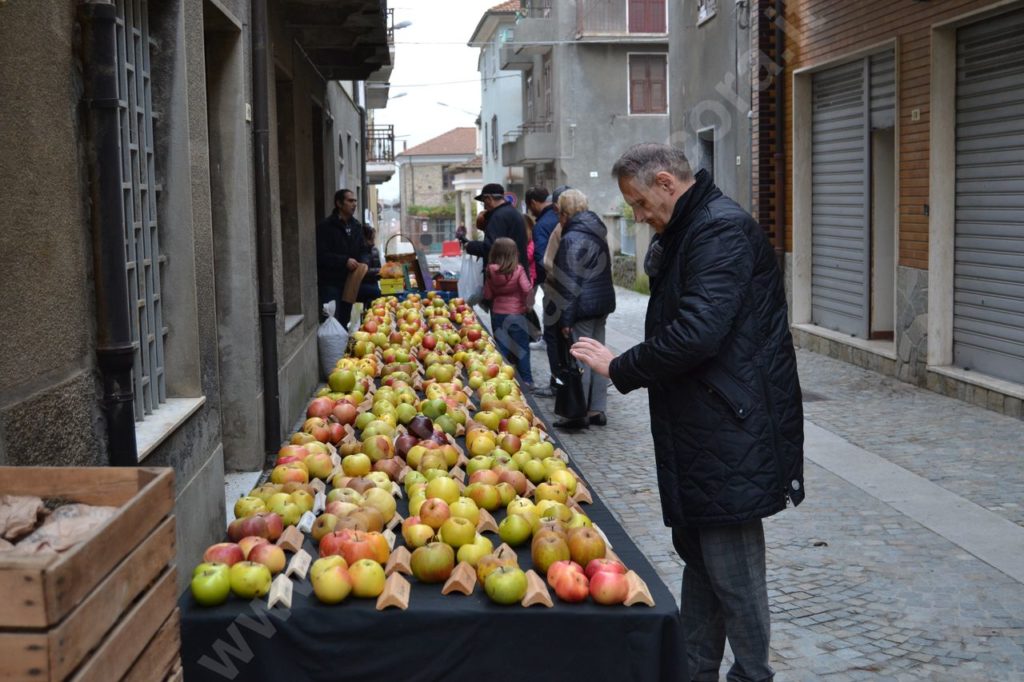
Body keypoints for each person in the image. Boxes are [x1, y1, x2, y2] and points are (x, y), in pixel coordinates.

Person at [571, 143, 805, 682]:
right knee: (703, 563)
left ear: (665, 183)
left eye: (638, 203)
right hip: (705, 423)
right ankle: (695, 671)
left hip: (730, 428)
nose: (637, 215)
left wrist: (621, 366)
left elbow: (699, 331)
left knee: (735, 572)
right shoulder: (690, 229)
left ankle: (752, 674)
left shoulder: (719, 230)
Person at [549, 189, 615, 429]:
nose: (558, 217)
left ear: (565, 213)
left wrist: (565, 320)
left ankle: (576, 413)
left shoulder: (571, 237)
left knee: (583, 359)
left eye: (559, 212)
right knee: (599, 359)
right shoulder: (596, 231)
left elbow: (569, 281)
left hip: (582, 307)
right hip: (601, 304)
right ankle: (597, 410)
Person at [529, 185, 569, 397]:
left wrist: (545, 283)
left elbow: (543, 259)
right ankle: (580, 383)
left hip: (555, 288)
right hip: (576, 291)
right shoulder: (592, 225)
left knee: (554, 337)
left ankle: (558, 383)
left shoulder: (544, 225)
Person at [482, 237, 534, 391]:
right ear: (514, 253)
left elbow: (487, 294)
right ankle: (527, 380)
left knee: (502, 349)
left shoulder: (490, 270)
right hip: (517, 314)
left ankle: (501, 378)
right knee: (522, 349)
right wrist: (528, 305)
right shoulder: (518, 270)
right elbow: (527, 290)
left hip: (498, 314)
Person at [316, 189, 364, 324]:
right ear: (339, 203)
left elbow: (362, 250)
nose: (354, 204)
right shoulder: (326, 226)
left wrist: (364, 262)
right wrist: (344, 261)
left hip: (350, 281)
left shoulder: (356, 226)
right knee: (331, 320)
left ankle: (342, 344)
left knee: (344, 319)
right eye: (350, 201)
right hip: (331, 282)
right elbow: (321, 255)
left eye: (355, 201)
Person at [461, 183, 529, 273]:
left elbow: (492, 247)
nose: (484, 206)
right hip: (517, 273)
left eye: (484, 202)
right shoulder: (514, 212)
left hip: (504, 275)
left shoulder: (498, 216)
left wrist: (470, 246)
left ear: (489, 199)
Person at [357, 225, 382, 305]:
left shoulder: (374, 250)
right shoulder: (360, 250)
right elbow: (363, 271)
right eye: (372, 237)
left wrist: (383, 273)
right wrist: (380, 271)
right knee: (377, 293)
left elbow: (379, 270)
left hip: (373, 283)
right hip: (361, 284)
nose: (373, 240)